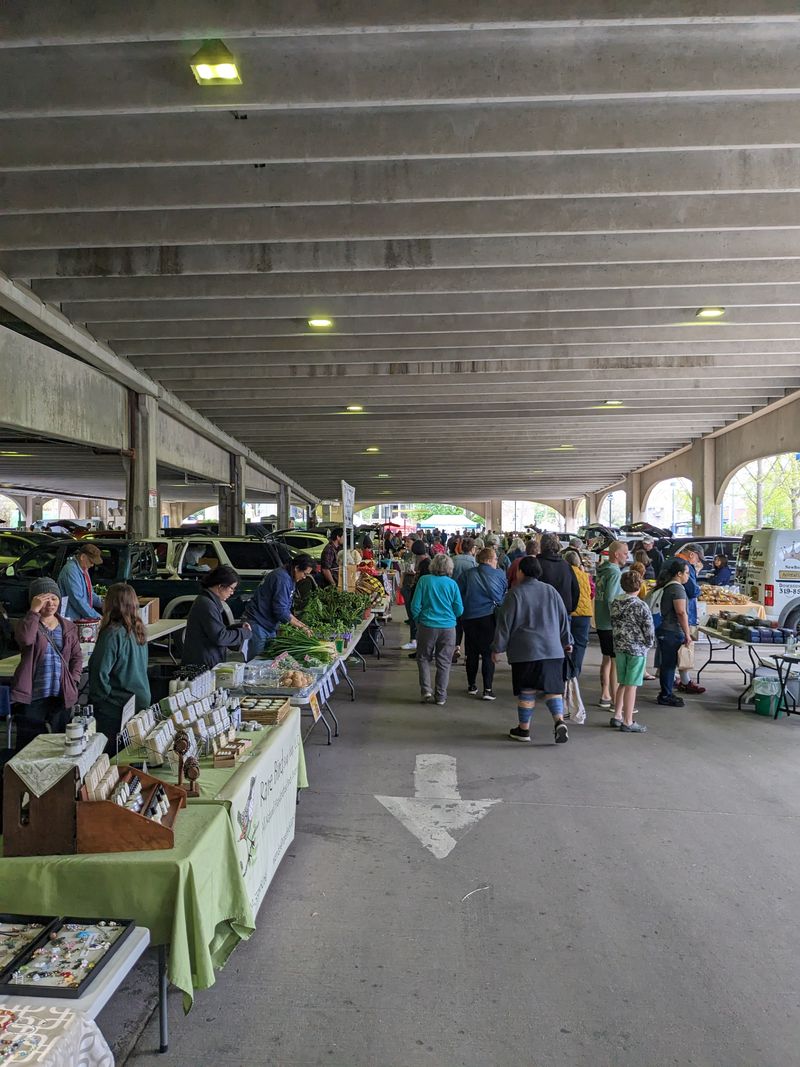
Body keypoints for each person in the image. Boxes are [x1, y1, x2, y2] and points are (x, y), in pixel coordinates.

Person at [492, 556, 572, 744]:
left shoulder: (514, 594)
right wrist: (567, 641)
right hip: (553, 650)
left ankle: (524, 730)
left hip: (525, 651)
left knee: (527, 690)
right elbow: (563, 619)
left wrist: (497, 648)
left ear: (521, 572)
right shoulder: (551, 591)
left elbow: (504, 625)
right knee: (552, 689)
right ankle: (559, 721)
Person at [10, 578, 83, 751]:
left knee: (60, 745)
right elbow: (26, 639)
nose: (51, 603)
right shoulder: (27, 623)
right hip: (34, 695)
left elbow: (76, 657)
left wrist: (74, 680)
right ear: (35, 600)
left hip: (60, 695)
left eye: (54, 598)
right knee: (30, 745)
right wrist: (33, 611)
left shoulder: (68, 627)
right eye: (44, 599)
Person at [87, 583, 151, 749]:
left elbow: (99, 671)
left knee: (110, 758)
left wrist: (100, 700)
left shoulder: (112, 633)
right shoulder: (139, 631)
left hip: (117, 707)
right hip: (140, 700)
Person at [410, 552, 463, 706]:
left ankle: (426, 690)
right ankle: (440, 696)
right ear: (449, 568)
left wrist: (419, 620)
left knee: (423, 658)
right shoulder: (452, 584)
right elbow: (459, 609)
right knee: (444, 662)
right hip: (448, 628)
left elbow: (415, 606)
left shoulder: (424, 580)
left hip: (427, 625)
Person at [243, 554, 315, 660]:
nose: (304, 577)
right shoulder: (282, 578)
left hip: (269, 625)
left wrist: (301, 625)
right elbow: (280, 610)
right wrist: (302, 627)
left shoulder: (290, 578)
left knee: (268, 660)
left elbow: (286, 607)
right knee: (256, 662)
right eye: (305, 573)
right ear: (296, 568)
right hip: (258, 623)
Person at [609, 570, 655, 733]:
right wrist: (648, 644)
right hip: (636, 648)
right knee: (632, 685)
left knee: (623, 682)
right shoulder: (641, 605)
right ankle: (628, 721)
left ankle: (617, 715)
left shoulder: (615, 602)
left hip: (619, 646)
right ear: (640, 585)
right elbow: (648, 629)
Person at [460, 547, 507, 699]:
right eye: (494, 559)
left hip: (469, 617)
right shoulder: (499, 574)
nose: (496, 562)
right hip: (488, 617)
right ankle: (487, 689)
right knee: (488, 654)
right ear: (488, 560)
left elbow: (459, 593)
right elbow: (503, 595)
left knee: (471, 652)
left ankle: (471, 685)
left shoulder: (467, 574)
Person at [182, 566, 251, 668]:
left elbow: (214, 630)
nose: (232, 593)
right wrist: (244, 633)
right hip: (202, 664)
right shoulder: (206, 604)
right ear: (220, 586)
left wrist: (238, 627)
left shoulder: (209, 601)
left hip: (207, 659)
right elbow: (219, 637)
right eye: (231, 588)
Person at [652, 558, 693, 707]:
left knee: (667, 663)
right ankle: (666, 694)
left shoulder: (668, 586)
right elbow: (681, 612)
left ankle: (666, 692)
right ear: (679, 573)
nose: (688, 576)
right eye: (687, 573)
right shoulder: (677, 589)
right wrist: (687, 634)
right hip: (671, 630)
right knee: (669, 664)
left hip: (664, 629)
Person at [594, 540, 629, 709]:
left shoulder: (603, 570)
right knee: (616, 661)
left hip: (601, 620)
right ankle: (617, 702)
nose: (627, 556)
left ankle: (605, 694)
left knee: (607, 658)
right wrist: (618, 617)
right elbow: (611, 598)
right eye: (625, 553)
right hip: (610, 622)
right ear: (616, 554)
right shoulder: (615, 573)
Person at [673, 543, 706, 694]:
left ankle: (673, 678)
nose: (697, 562)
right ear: (692, 554)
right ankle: (685, 681)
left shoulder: (672, 562)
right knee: (685, 646)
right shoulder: (685, 566)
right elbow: (692, 591)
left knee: (671, 650)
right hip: (684, 611)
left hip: (671, 613)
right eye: (698, 558)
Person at [563, 549, 593, 677]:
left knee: (565, 644)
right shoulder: (586, 576)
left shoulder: (564, 575)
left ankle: (565, 671)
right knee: (580, 645)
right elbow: (592, 592)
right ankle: (575, 673)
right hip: (584, 614)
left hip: (569, 613)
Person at [535, 533, 580, 615]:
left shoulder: (536, 565)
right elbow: (575, 589)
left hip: (541, 613)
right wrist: (570, 609)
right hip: (563, 611)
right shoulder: (566, 565)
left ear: (541, 545)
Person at [57, 543, 104, 620]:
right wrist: (98, 617)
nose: (92, 565)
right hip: (69, 618)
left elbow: (90, 594)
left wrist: (103, 603)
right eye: (91, 562)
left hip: (77, 617)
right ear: (83, 557)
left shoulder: (83, 568)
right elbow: (77, 599)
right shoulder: (70, 570)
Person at [451, 537, 478, 662]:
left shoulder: (453, 560)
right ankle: (468, 654)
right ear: (473, 549)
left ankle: (455, 648)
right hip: (469, 598)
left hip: (454, 597)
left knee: (456, 624)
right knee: (469, 627)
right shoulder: (474, 563)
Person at [401, 540, 429, 651]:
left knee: (416, 619)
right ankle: (417, 644)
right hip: (416, 593)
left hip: (418, 595)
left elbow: (422, 581)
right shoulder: (425, 562)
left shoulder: (425, 564)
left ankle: (417, 644)